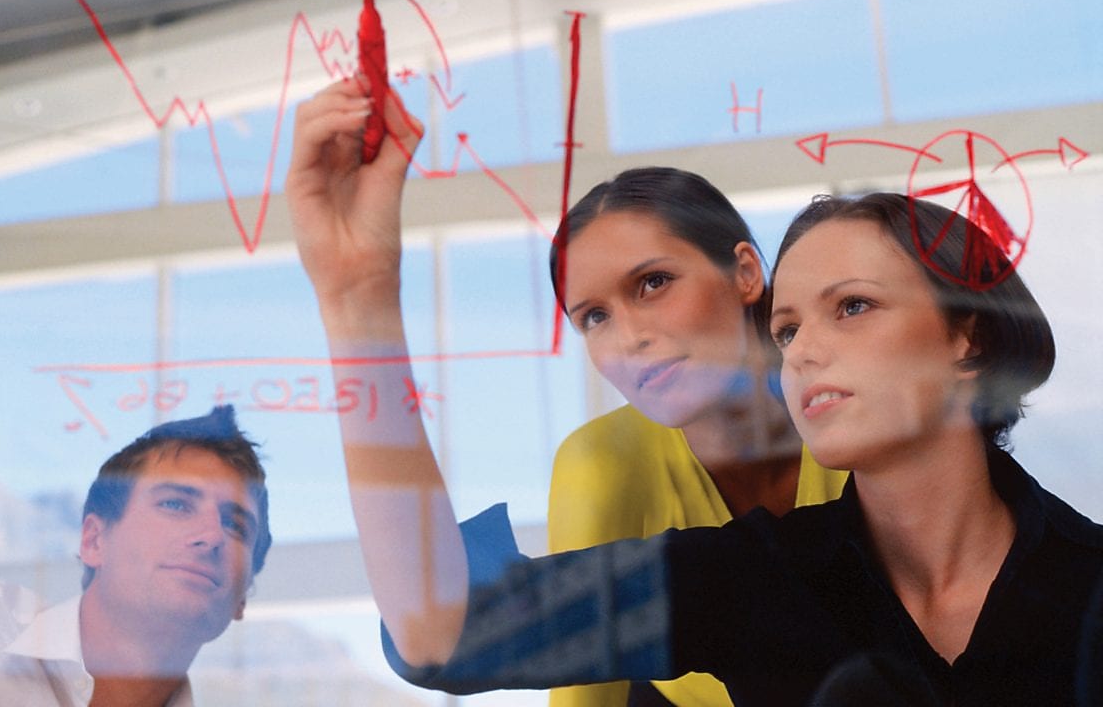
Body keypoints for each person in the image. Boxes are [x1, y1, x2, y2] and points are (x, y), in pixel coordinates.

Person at [284, 75, 1103, 706]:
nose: (805, 349)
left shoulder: (1089, 583)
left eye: (852, 306)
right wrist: (358, 301)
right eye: (786, 331)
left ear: (968, 336)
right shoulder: (756, 575)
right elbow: (441, 630)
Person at [547, 167, 846, 706]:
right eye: (594, 317)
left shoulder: (854, 411)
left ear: (746, 273)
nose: (630, 337)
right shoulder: (600, 466)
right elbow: (583, 694)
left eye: (653, 282)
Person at [0, 405, 271, 707]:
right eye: (176, 504)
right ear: (94, 540)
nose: (211, 535)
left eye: (237, 526)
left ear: (242, 599)